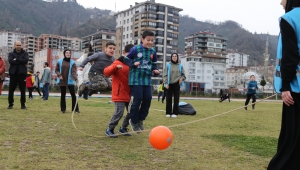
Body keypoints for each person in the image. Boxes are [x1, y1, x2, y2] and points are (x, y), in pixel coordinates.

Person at [268, 0, 300, 169]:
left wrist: (285, 86)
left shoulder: (290, 18)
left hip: (296, 88)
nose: (280, 2)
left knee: (291, 135)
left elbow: (290, 55)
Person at [124, 30, 160, 132]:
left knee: (148, 99)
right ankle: (133, 121)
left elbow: (154, 64)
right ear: (142, 39)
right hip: (135, 80)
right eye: (148, 40)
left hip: (147, 81)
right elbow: (125, 59)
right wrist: (133, 63)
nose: (150, 42)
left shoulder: (153, 52)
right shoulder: (135, 49)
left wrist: (155, 70)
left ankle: (140, 119)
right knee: (138, 99)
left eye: (152, 40)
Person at [104, 44, 134, 138]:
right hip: (119, 92)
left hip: (130, 92)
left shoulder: (133, 64)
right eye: (129, 53)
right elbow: (106, 72)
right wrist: (115, 67)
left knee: (132, 112)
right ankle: (110, 129)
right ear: (124, 53)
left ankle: (123, 128)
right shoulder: (117, 62)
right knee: (119, 112)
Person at [55, 49, 79, 113]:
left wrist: (76, 78)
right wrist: (59, 75)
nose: (68, 54)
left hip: (70, 81)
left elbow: (74, 72)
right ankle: (63, 109)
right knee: (63, 95)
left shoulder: (73, 62)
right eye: (66, 53)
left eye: (69, 53)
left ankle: (75, 109)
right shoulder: (59, 61)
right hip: (62, 80)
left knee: (73, 95)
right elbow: (56, 70)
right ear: (64, 54)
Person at [163, 53, 186, 118]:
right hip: (169, 84)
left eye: (175, 56)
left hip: (176, 84)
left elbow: (184, 75)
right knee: (168, 99)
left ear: (177, 57)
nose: (174, 57)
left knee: (176, 99)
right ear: (171, 57)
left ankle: (175, 113)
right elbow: (164, 75)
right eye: (173, 56)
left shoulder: (180, 65)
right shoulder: (168, 65)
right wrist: (165, 83)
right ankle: (168, 112)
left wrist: (181, 78)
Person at [7, 41, 29, 110]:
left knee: (22, 90)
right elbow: (11, 61)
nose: (19, 46)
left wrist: (16, 59)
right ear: (14, 45)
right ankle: (10, 104)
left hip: (22, 74)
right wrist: (20, 61)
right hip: (13, 74)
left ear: (21, 46)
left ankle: (23, 105)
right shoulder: (11, 53)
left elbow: (26, 61)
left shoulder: (25, 53)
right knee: (11, 90)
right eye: (17, 45)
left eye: (20, 45)